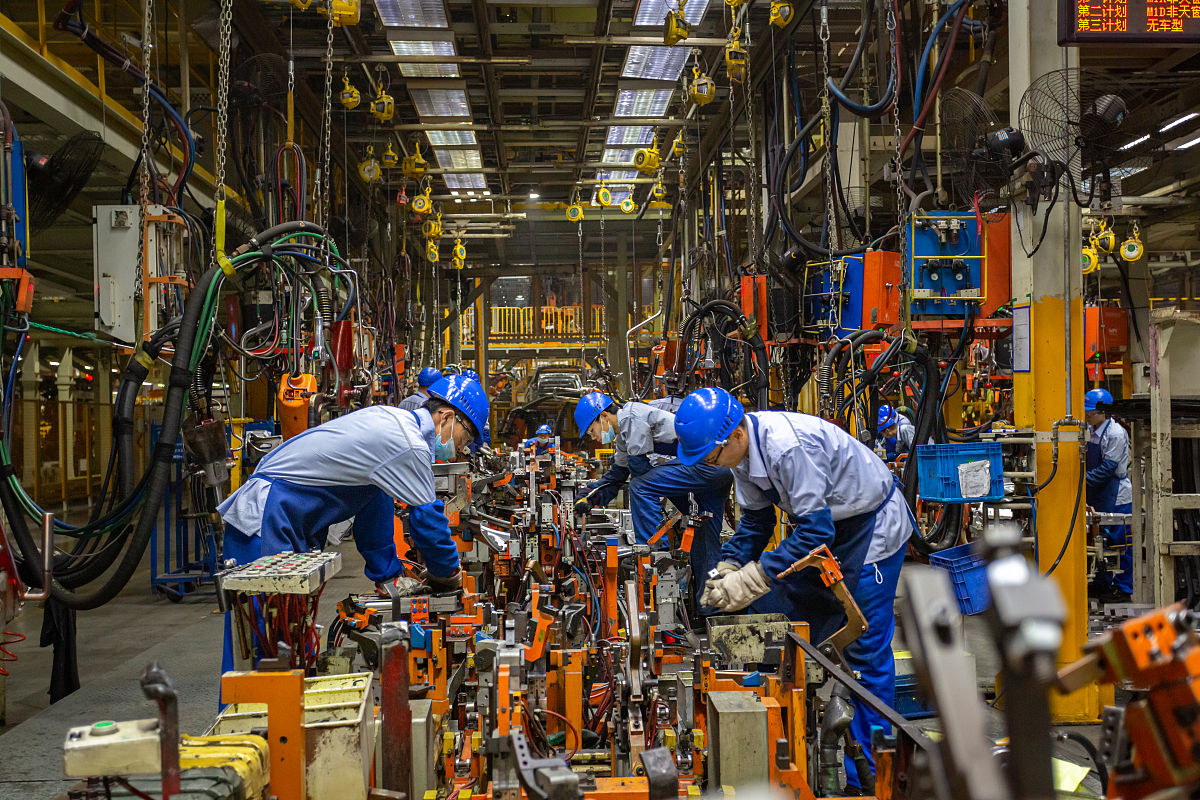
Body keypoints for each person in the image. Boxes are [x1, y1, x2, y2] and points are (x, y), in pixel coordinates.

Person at [673, 387, 915, 789]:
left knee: (864, 648)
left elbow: (815, 531)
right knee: (802, 624)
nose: (711, 466)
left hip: (871, 527)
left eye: (711, 458)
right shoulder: (740, 456)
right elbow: (756, 522)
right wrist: (727, 566)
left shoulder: (786, 448)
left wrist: (750, 580)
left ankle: (875, 777)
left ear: (735, 435)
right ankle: (816, 742)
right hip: (831, 532)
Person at [217, 375, 489, 671]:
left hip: (285, 520)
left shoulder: (393, 420)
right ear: (447, 416)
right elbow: (428, 523)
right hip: (267, 518)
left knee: (292, 642)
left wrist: (389, 578)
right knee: (267, 651)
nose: (463, 448)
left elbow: (375, 502)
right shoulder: (409, 444)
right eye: (467, 438)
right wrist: (450, 576)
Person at [572, 392, 732, 616]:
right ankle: (713, 612)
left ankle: (656, 553)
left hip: (705, 465)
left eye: (592, 431)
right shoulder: (623, 438)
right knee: (704, 536)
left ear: (604, 417)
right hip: (719, 469)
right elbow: (616, 475)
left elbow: (638, 469)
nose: (594, 438)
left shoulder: (630, 415)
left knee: (640, 486)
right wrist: (590, 497)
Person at [1085, 387, 1133, 600]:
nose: (1086, 415)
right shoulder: (1091, 430)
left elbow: (1107, 469)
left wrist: (1081, 483)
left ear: (1102, 411)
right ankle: (1102, 585)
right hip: (1098, 495)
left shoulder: (1115, 433)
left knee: (1120, 543)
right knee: (1100, 540)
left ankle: (1123, 589)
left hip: (1116, 495)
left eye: (1090, 412)